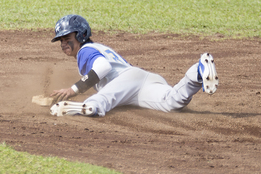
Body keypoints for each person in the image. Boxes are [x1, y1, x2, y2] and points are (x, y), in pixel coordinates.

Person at [48, 14, 219, 117]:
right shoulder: (97, 48)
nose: (63, 43)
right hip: (140, 80)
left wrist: (73, 90)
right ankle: (197, 73)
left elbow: (103, 67)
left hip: (125, 80)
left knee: (103, 100)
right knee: (172, 102)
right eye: (60, 40)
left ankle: (89, 107)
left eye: (67, 38)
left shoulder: (85, 51)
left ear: (81, 35)